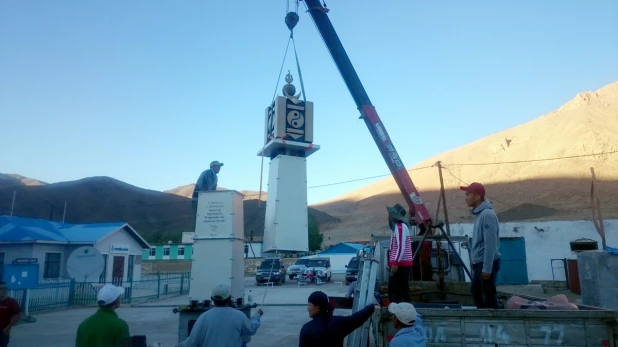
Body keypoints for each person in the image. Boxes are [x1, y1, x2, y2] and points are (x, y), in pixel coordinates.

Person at [178, 283, 262, 347]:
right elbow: (251, 329)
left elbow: (192, 342)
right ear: (229, 298)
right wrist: (257, 316)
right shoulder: (239, 315)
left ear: (212, 299)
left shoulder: (204, 317)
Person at [460, 182, 501, 309]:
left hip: (486, 263)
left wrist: (487, 268)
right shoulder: (480, 214)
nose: (465, 197)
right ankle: (484, 324)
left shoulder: (487, 215)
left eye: (468, 194)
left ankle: (493, 325)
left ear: (477, 196)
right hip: (480, 263)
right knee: (477, 293)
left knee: (487, 297)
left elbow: (490, 244)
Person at [298, 291, 375, 347]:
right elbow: (357, 318)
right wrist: (372, 307)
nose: (307, 308)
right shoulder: (338, 323)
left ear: (317, 308)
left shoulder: (307, 329)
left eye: (309, 305)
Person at [386, 203, 413, 303]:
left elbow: (400, 246)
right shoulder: (398, 228)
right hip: (401, 263)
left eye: (390, 214)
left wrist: (395, 262)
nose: (389, 216)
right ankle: (404, 309)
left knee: (395, 289)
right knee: (401, 289)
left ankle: (398, 311)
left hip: (400, 264)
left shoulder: (400, 227)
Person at [0, 282, 23, 347]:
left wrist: (9, 327)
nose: (4, 290)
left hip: (3, 332)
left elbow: (19, 315)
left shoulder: (11, 302)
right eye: (1, 288)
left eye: (6, 289)